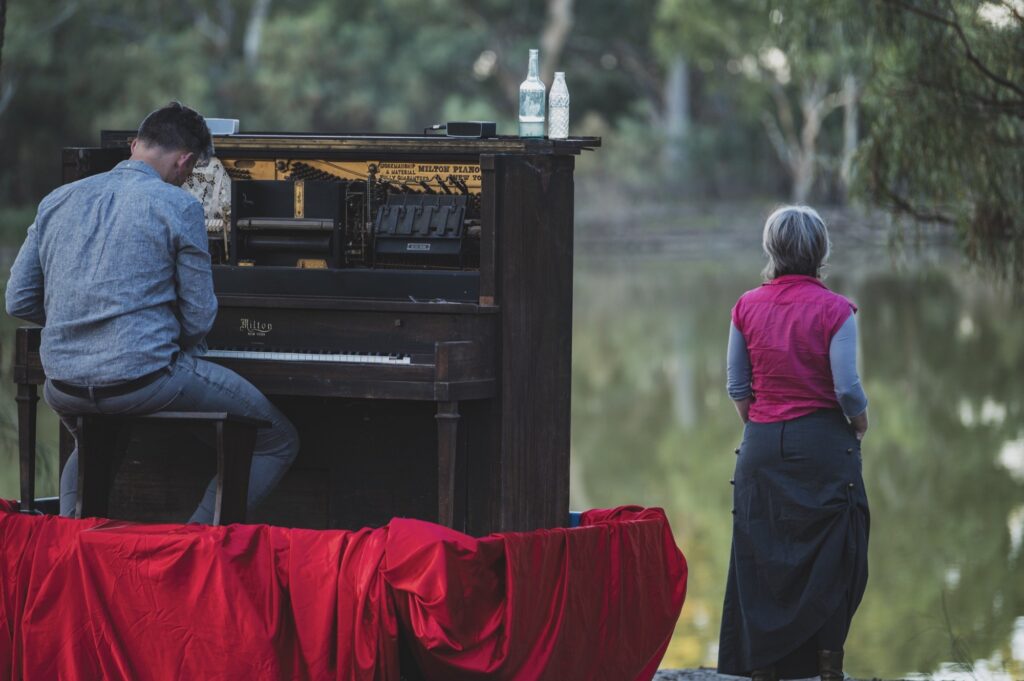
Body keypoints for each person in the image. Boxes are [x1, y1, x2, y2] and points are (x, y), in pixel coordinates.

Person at [5, 101, 299, 523]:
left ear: (134, 144)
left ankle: (72, 544)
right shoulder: (177, 206)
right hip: (143, 380)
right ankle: (194, 542)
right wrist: (138, 334)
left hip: (64, 384)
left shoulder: (57, 200)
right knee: (278, 439)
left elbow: (18, 300)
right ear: (186, 160)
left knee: (96, 437)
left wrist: (79, 320)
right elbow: (199, 318)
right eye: (190, 171)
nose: (186, 178)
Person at [717, 205, 870, 681]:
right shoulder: (836, 309)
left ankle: (764, 669)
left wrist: (759, 422)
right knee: (836, 555)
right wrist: (860, 422)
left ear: (771, 249)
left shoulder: (746, 306)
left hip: (760, 447)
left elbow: (736, 386)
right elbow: (846, 388)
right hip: (824, 443)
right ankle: (828, 669)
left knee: (760, 554)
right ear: (821, 251)